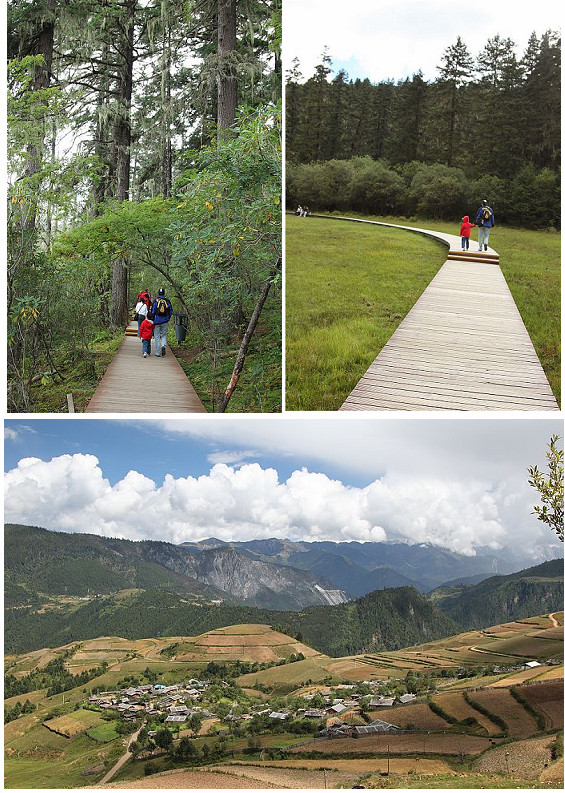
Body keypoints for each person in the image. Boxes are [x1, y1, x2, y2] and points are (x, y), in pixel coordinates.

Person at [151, 287, 173, 357]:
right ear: (164, 293)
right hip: (165, 321)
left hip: (157, 321)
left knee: (157, 337)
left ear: (158, 293)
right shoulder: (167, 301)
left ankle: (157, 353)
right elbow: (170, 311)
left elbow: (153, 311)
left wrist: (153, 319)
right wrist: (168, 318)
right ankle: (163, 345)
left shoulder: (156, 301)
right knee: (164, 335)